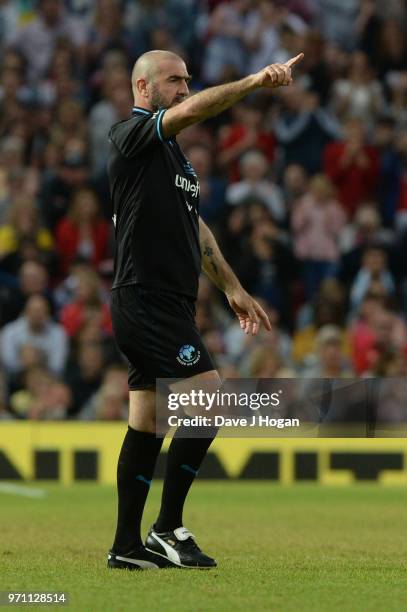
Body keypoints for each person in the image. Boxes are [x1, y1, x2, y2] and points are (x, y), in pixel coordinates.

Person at [107, 48, 303, 571]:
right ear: (144, 88)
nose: (185, 89)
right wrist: (255, 82)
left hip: (163, 299)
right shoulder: (129, 136)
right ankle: (168, 527)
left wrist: (232, 288)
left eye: (188, 80)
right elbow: (194, 113)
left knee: (147, 422)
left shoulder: (175, 161)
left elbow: (196, 229)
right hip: (144, 296)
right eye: (174, 80)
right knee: (211, 403)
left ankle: (126, 547)